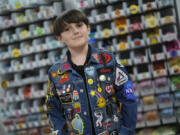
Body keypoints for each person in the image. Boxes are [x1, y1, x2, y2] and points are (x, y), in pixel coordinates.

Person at [45, 9, 137, 135]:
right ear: (60, 38)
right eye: (67, 29)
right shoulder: (56, 73)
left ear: (88, 29)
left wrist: (126, 130)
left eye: (79, 25)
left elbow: (128, 96)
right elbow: (53, 111)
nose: (75, 31)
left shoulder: (107, 60)